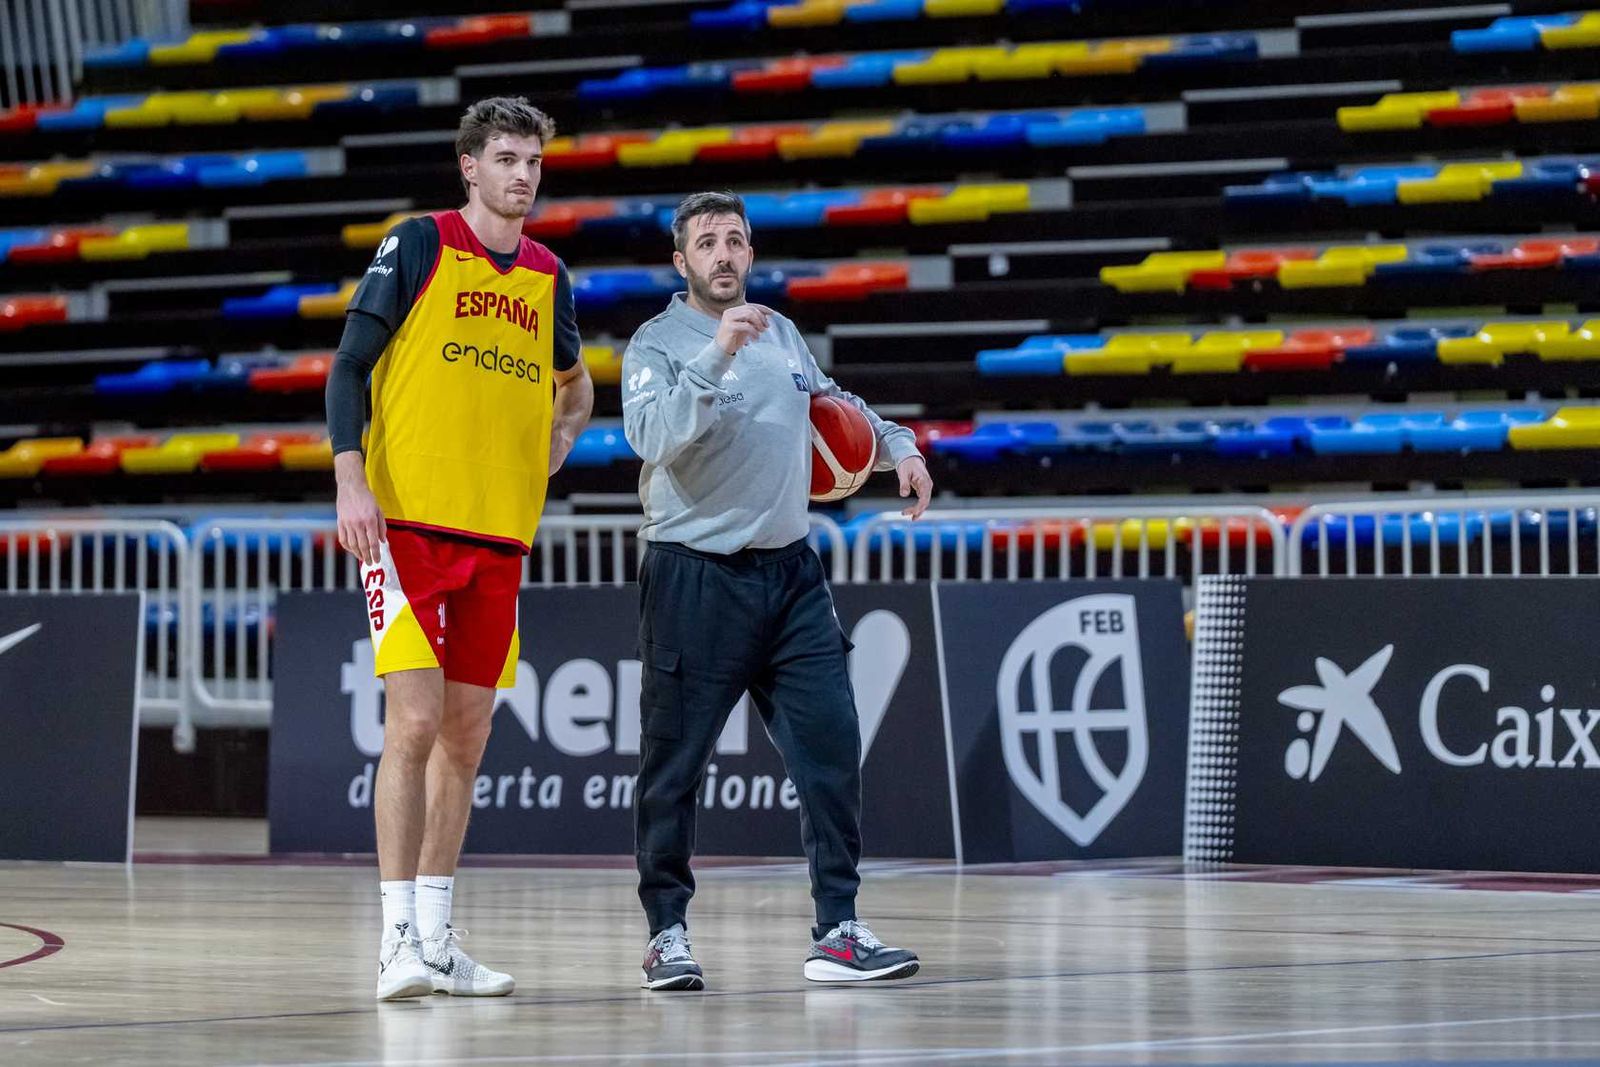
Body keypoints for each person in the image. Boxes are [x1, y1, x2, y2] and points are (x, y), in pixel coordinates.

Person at [620, 191, 933, 990]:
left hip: (791, 575)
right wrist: (717, 353)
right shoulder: (657, 344)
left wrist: (899, 447)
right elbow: (652, 436)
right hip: (694, 575)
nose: (723, 253)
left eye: (735, 240)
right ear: (681, 261)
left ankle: (838, 928)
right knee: (673, 765)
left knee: (831, 746)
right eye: (707, 243)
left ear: (751, 253)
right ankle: (667, 933)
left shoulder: (783, 333)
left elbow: (837, 409)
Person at [325, 96, 593, 1000]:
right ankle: (395, 937)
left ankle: (437, 938)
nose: (524, 175)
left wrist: (557, 441)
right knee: (413, 721)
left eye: (534, 161)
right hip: (405, 524)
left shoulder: (549, 275)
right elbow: (348, 366)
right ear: (470, 167)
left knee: (468, 735)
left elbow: (576, 386)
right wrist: (350, 478)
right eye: (507, 159)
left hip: (498, 534)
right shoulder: (419, 243)